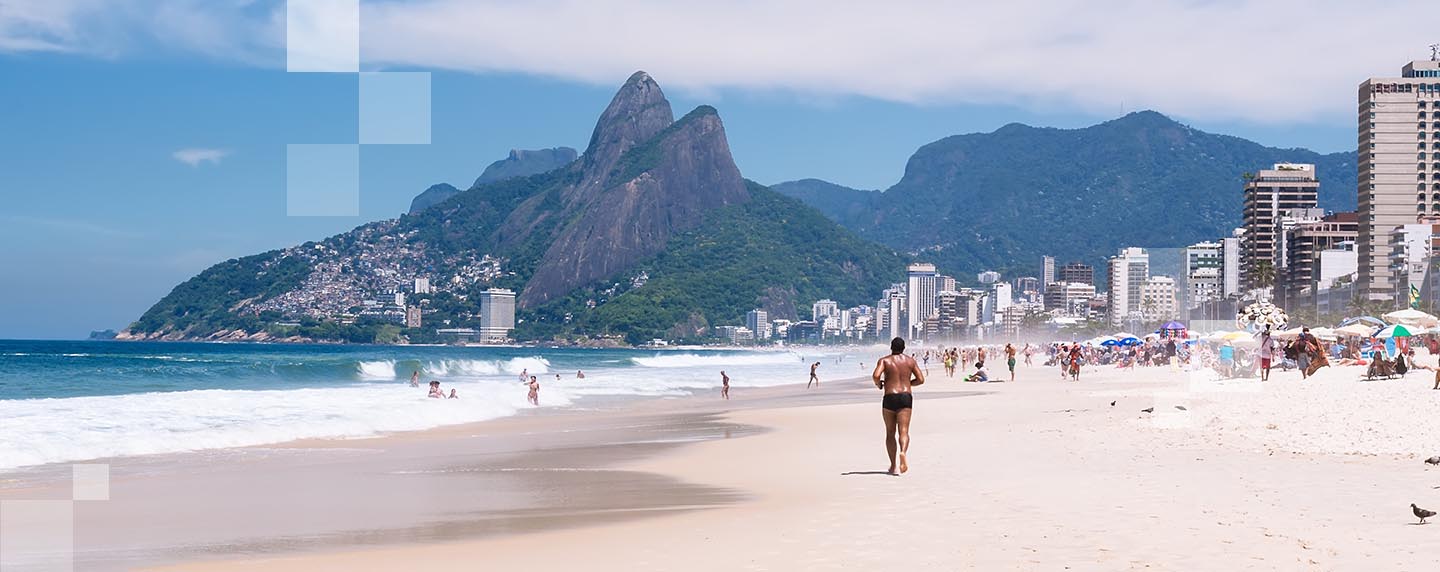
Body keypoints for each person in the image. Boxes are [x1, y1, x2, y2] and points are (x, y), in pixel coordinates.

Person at [872, 337, 924, 475]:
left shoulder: (884, 360)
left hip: (889, 396)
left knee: (890, 432)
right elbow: (921, 379)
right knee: (904, 431)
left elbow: (876, 376)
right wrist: (908, 383)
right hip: (905, 396)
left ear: (891, 347)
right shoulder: (910, 361)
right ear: (904, 348)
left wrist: (880, 385)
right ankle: (903, 452)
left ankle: (893, 465)